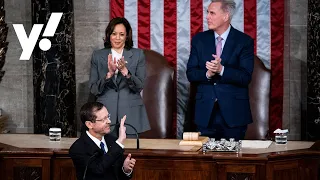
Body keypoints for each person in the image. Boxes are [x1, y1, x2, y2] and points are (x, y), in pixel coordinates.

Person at [186, 0, 254, 140]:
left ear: (225, 16)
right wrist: (208, 73)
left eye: (212, 13)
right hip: (205, 114)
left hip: (233, 114)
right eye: (207, 12)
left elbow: (245, 77)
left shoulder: (244, 41)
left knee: (232, 161)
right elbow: (191, 73)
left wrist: (222, 70)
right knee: (204, 160)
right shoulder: (199, 40)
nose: (207, 17)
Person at [89, 17, 150, 136]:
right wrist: (109, 75)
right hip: (104, 116)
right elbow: (93, 89)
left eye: (121, 34)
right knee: (106, 154)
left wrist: (125, 72)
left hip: (131, 115)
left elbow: (139, 86)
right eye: (114, 34)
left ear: (127, 36)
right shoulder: (98, 55)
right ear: (108, 35)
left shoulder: (138, 55)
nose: (117, 38)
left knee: (130, 153)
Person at [69, 102, 136, 180]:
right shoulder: (78, 148)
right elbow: (98, 170)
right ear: (89, 124)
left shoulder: (112, 141)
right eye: (103, 119)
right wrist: (120, 140)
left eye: (108, 117)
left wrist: (125, 170)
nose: (109, 121)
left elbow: (119, 176)